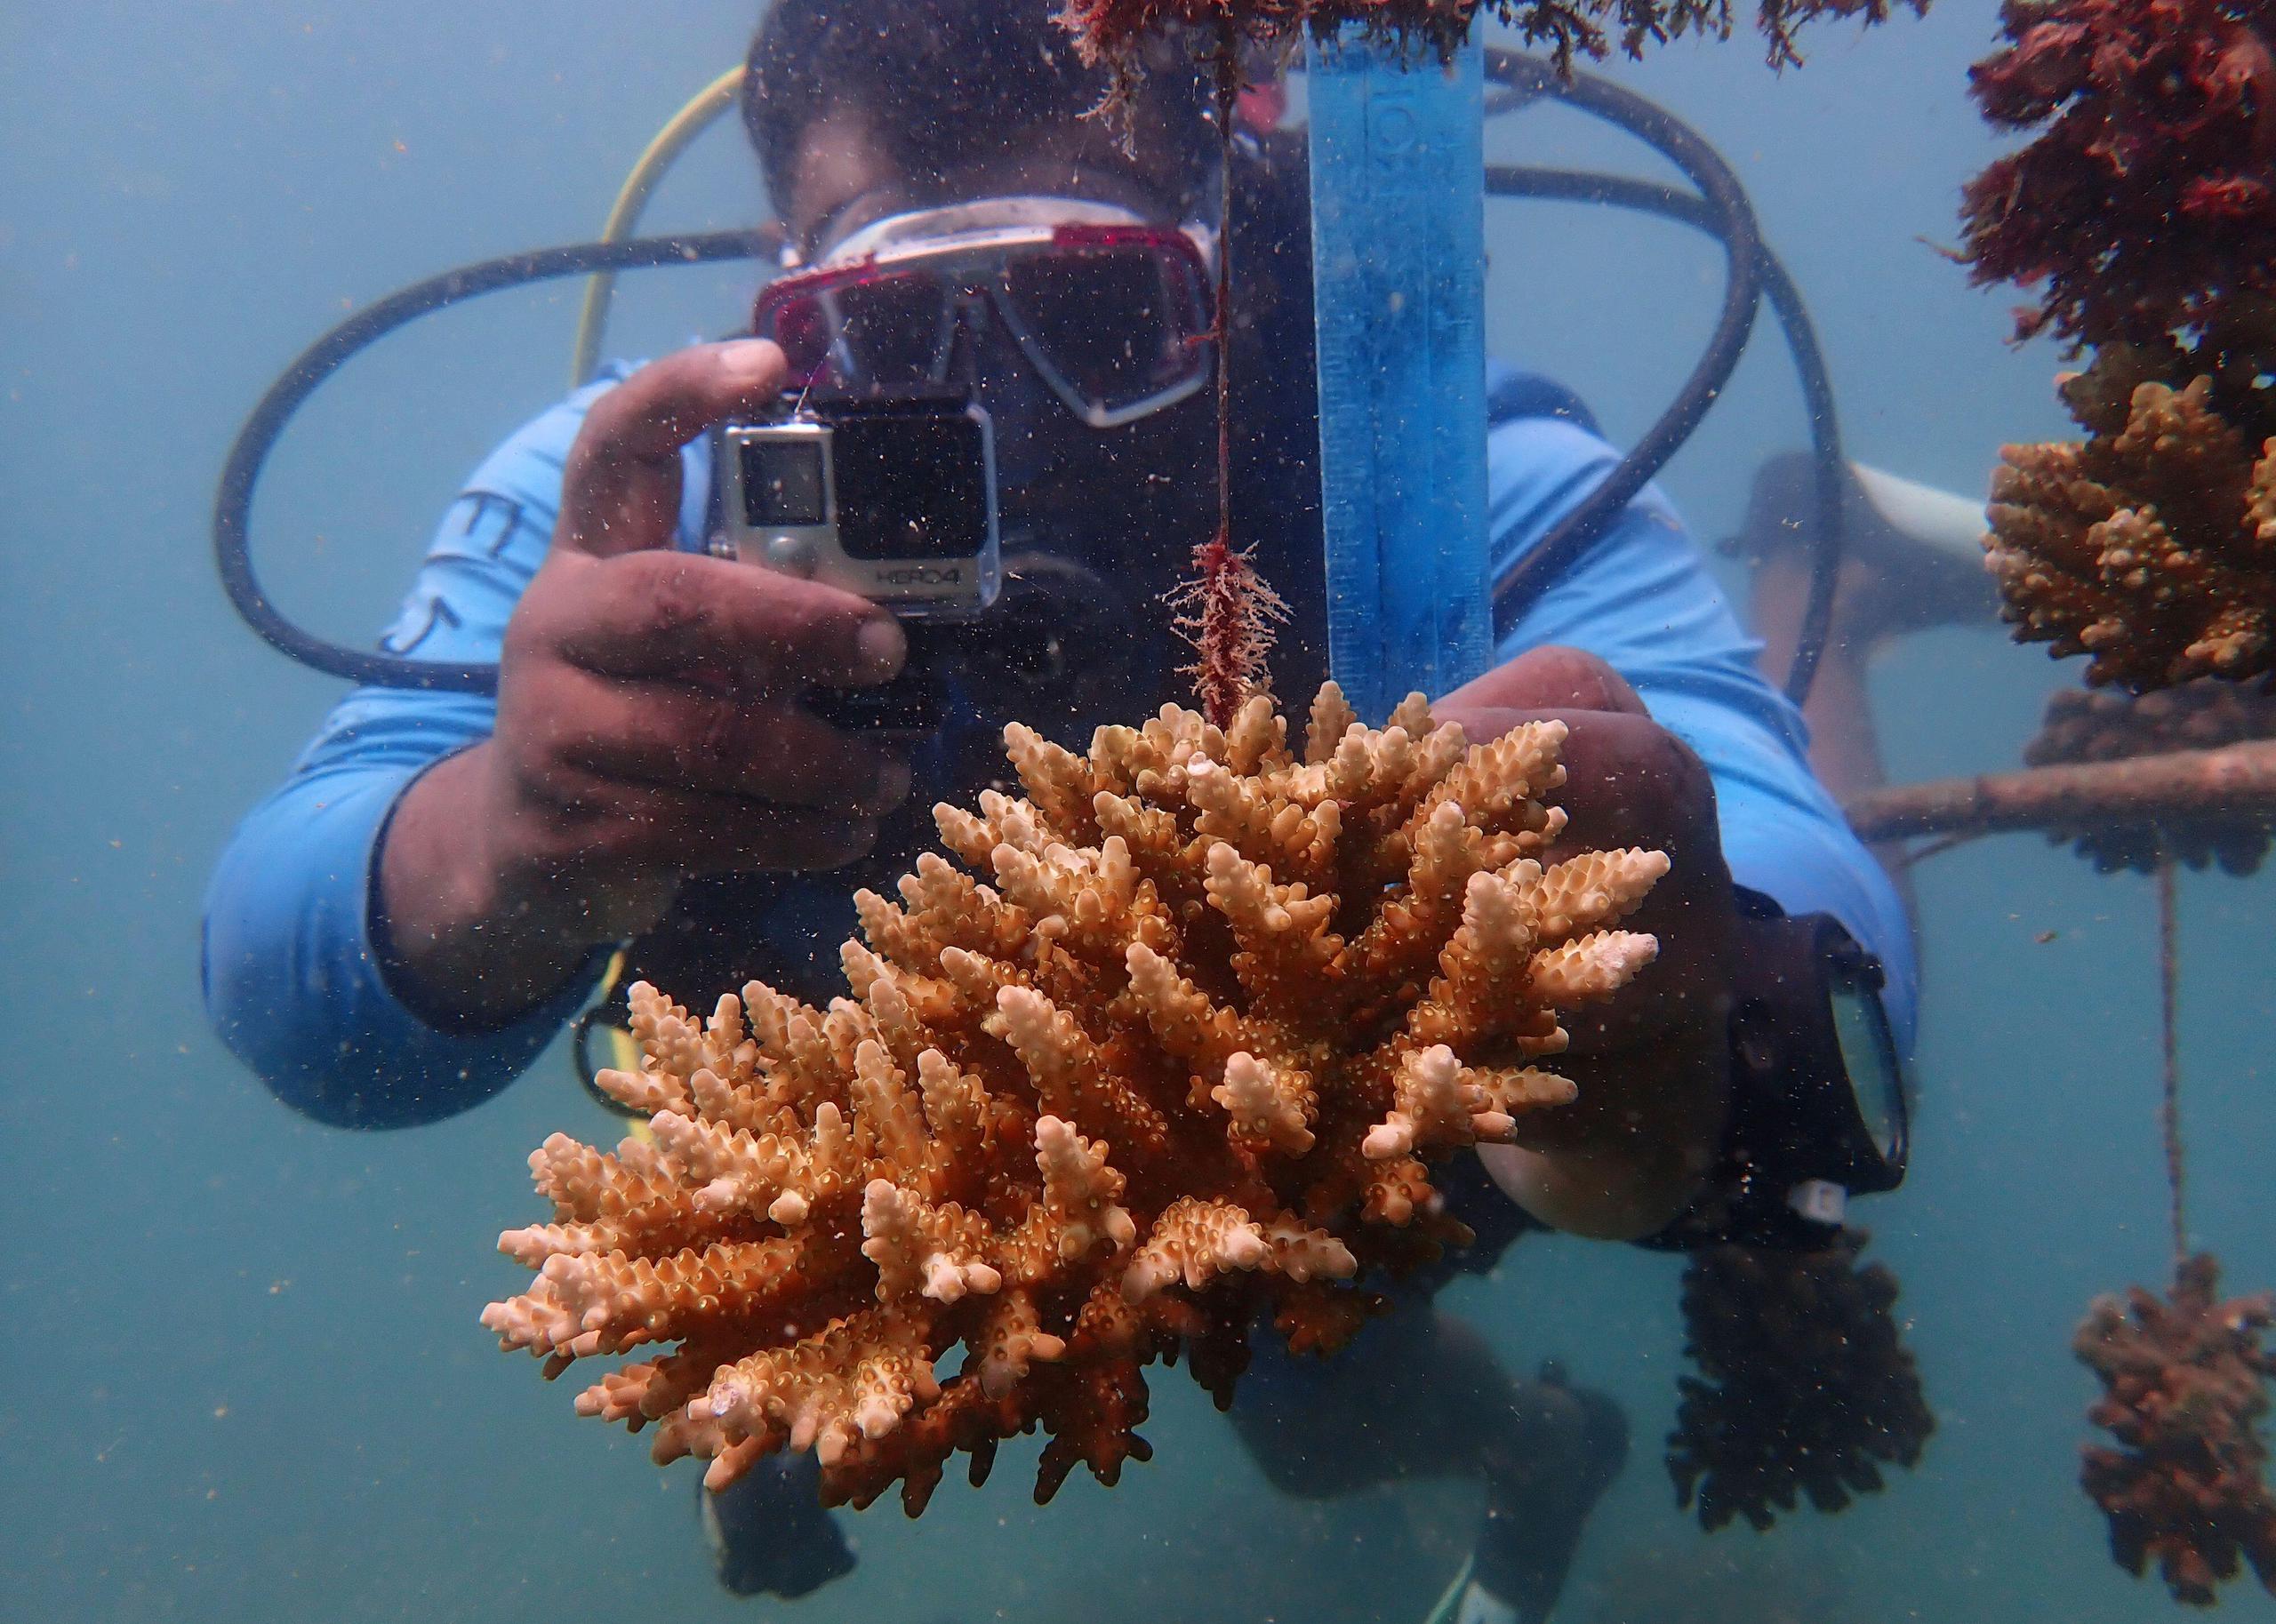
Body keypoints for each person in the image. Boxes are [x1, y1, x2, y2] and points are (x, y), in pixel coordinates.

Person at [203, 3, 1917, 1618]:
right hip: (943, 1154)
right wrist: (500, 838)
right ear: (779, 303)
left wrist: (1666, 1037)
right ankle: (1526, 1448)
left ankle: (1817, 558)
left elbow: (1785, 871)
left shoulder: (1419, 467)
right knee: (1321, 1432)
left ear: (1230, 258)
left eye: (1098, 314)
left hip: (1317, 1143)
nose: (1007, 413)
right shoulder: (656, 487)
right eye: (889, 326)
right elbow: (286, 973)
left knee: (1316, 1364)